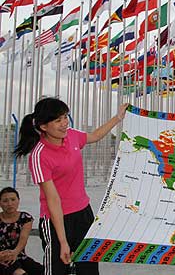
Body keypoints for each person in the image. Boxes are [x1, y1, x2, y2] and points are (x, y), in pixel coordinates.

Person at [13, 97, 128, 275]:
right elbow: (53, 200)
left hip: (83, 214)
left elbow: (95, 136)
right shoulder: (39, 156)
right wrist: (63, 241)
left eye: (65, 117)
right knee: (58, 269)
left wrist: (118, 117)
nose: (64, 123)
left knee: (88, 268)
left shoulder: (72, 135)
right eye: (58, 120)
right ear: (43, 126)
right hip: (56, 220)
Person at [0, 187, 43, 275]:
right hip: (1, 257)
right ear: (0, 203)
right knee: (19, 272)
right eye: (5, 201)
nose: (9, 204)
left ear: (18, 200)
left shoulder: (25, 218)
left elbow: (23, 239)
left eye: (13, 199)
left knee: (42, 270)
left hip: (19, 255)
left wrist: (15, 252)